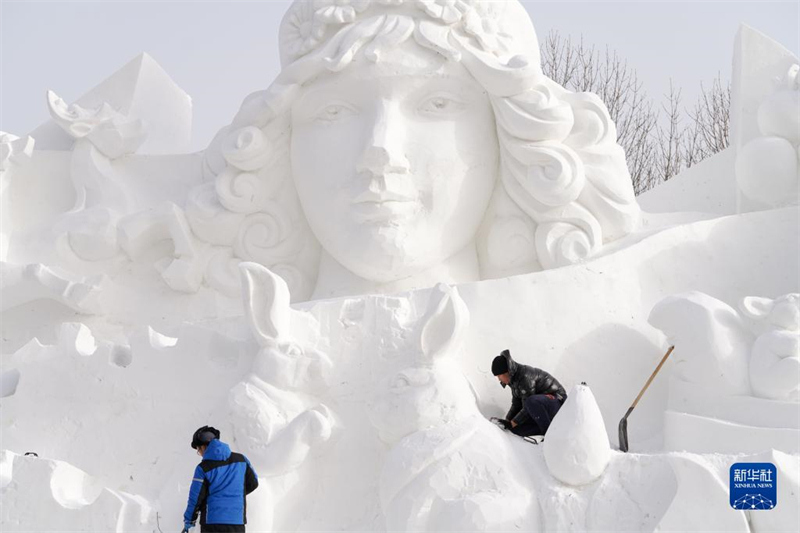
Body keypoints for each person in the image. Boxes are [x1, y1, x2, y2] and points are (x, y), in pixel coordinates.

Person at [182, 426, 259, 533]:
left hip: (212, 523)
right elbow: (253, 483)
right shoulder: (242, 460)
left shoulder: (203, 468)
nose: (200, 454)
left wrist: (189, 520)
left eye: (199, 450)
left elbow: (195, 498)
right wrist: (234, 493)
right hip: (236, 522)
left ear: (204, 446)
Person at [491, 349, 567, 437]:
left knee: (531, 401)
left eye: (499, 376)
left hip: (558, 401)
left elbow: (528, 404)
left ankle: (547, 434)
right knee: (516, 429)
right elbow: (516, 404)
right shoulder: (514, 379)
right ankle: (548, 429)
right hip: (543, 406)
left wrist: (512, 423)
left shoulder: (525, 377)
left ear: (506, 372)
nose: (499, 379)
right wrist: (508, 420)